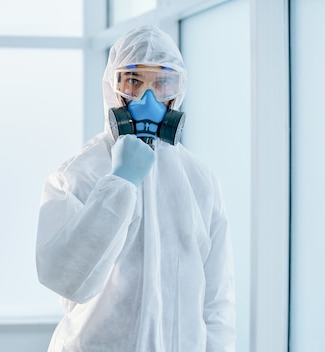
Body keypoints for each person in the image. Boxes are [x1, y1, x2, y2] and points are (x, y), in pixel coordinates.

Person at [35, 25, 235, 351]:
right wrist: (119, 184)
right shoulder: (76, 175)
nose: (148, 98)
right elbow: (65, 279)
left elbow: (216, 302)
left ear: (177, 89)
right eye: (133, 81)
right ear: (113, 88)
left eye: (161, 82)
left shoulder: (200, 181)